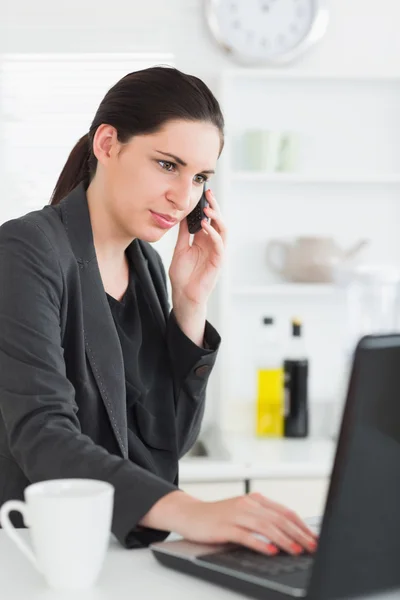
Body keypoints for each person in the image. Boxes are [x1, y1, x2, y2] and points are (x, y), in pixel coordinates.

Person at [0, 65, 317, 556]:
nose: (182, 195)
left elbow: (166, 442)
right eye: (168, 165)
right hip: (33, 551)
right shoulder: (25, 250)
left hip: (115, 552)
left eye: (200, 178)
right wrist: (191, 511)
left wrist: (190, 305)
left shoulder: (144, 264)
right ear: (107, 144)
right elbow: (43, 435)